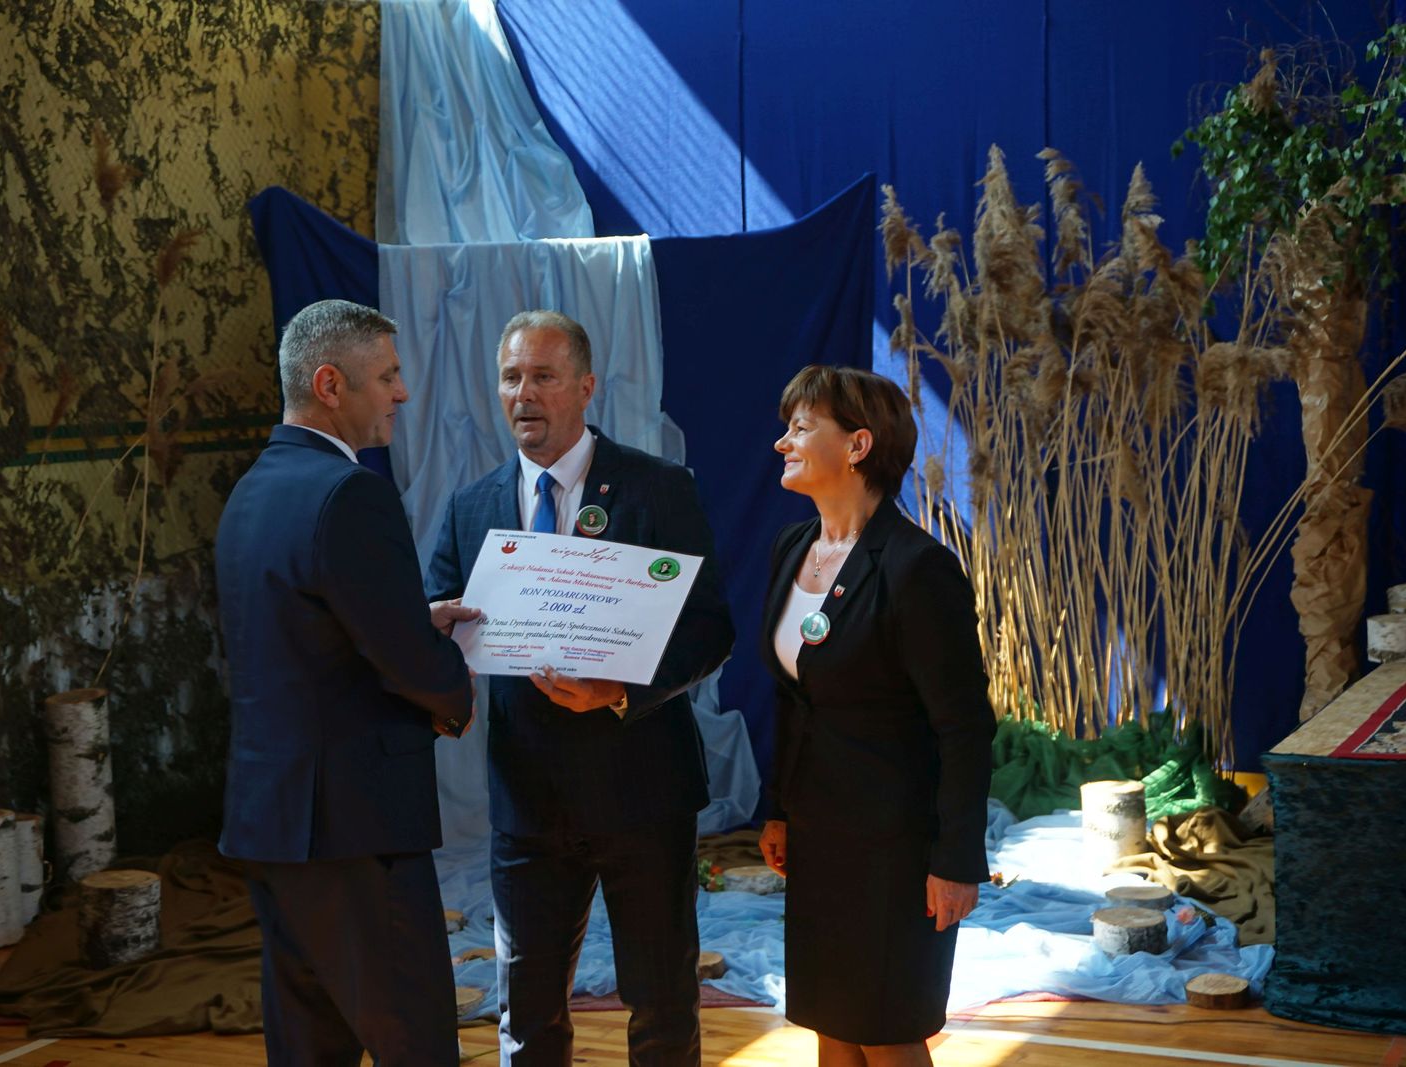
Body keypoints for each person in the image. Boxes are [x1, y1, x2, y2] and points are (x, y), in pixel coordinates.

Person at [427, 309, 735, 1066]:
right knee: (527, 1018)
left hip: (644, 795)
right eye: (510, 376)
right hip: (528, 805)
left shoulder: (658, 488)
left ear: (586, 387)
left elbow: (709, 629)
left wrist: (619, 692)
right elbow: (434, 628)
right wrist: (437, 659)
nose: (523, 393)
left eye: (543, 375)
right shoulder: (471, 508)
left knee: (662, 1008)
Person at [215, 299, 477, 1066]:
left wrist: (408, 620)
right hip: (354, 826)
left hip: (273, 822)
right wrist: (453, 693)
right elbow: (407, 662)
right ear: (330, 384)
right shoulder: (351, 492)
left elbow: (301, 633)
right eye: (387, 375)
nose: (402, 391)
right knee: (417, 1045)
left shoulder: (253, 489)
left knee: (309, 1050)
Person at [757, 365, 995, 1067]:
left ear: (858, 445)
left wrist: (956, 862)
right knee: (832, 1022)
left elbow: (965, 727)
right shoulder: (791, 548)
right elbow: (793, 698)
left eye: (801, 427)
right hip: (817, 835)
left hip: (896, 845)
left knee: (885, 1031)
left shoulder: (918, 568)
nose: (782, 443)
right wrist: (779, 810)